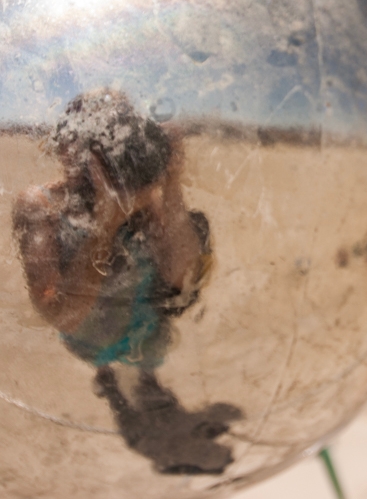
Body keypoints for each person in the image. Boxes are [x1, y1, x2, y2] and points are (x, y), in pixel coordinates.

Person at [13, 89, 239, 475]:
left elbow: (178, 277)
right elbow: (61, 314)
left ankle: (148, 394)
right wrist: (105, 223)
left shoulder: (141, 198)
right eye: (92, 140)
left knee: (148, 378)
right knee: (119, 385)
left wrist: (170, 183)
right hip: (93, 333)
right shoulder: (43, 204)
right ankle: (119, 396)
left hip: (143, 325)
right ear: (68, 147)